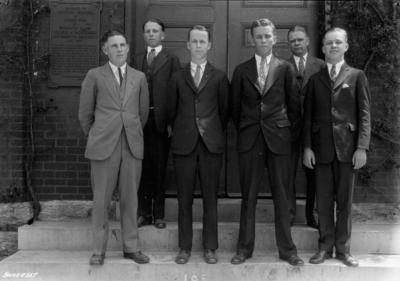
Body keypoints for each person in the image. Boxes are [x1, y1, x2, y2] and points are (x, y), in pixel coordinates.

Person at [230, 18, 303, 266]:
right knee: (248, 196)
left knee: (282, 195)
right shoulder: (242, 70)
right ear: (252, 39)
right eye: (259, 36)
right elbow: (234, 109)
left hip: (279, 139)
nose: (263, 40)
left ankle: (288, 250)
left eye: (267, 36)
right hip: (250, 139)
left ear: (275, 38)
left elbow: (294, 107)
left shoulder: (285, 68)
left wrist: (284, 132)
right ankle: (244, 249)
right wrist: (249, 127)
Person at [79, 30, 150, 265]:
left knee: (131, 200)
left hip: (131, 145)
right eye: (114, 46)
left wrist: (130, 132)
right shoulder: (94, 75)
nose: (119, 49)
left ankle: (131, 247)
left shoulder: (138, 77)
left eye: (123, 45)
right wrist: (98, 135)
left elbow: (142, 113)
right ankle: (98, 250)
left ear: (128, 48)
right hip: (103, 146)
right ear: (105, 50)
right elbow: (85, 114)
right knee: (101, 200)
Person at [303, 27, 371, 267]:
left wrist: (361, 147)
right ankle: (324, 248)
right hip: (321, 150)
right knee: (323, 202)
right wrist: (307, 147)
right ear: (322, 48)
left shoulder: (356, 76)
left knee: (344, 202)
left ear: (346, 46)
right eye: (329, 43)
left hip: (347, 150)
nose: (333, 46)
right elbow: (308, 117)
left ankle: (343, 250)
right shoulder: (315, 79)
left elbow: (364, 114)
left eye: (338, 42)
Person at [167, 25, 229, 265]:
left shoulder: (220, 76)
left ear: (209, 45)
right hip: (184, 144)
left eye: (203, 41)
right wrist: (186, 129)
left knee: (210, 199)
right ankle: (184, 247)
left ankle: (210, 247)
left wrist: (209, 131)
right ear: (188, 45)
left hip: (210, 145)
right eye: (194, 41)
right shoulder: (177, 76)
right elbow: (171, 111)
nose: (199, 45)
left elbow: (224, 112)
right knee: (184, 199)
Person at [131, 19, 181, 229]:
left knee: (160, 168)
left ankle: (159, 214)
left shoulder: (172, 59)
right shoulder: (135, 59)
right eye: (147, 31)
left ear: (163, 35)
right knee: (142, 168)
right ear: (143, 35)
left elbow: (177, 92)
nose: (151, 34)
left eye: (155, 31)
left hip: (161, 122)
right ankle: (144, 213)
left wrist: (172, 121)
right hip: (140, 122)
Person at [286, 26, 325, 229]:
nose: (297, 43)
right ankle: (289, 215)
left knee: (315, 173)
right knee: (288, 172)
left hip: (314, 128)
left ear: (308, 41)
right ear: (288, 44)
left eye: (300, 39)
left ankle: (314, 215)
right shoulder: (282, 66)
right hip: (290, 128)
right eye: (293, 41)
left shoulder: (320, 65)